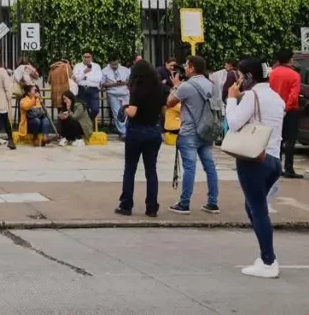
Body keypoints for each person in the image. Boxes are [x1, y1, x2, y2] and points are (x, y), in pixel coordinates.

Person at [228, 58, 285, 278]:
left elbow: (233, 123)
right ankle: (266, 256)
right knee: (252, 207)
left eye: (240, 76)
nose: (239, 80)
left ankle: (269, 261)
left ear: (249, 76)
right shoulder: (275, 97)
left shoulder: (252, 96)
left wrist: (232, 100)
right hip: (272, 160)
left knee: (257, 209)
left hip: (253, 159)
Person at [166, 55, 220, 215]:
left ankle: (184, 203)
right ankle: (213, 202)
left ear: (192, 68)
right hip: (206, 130)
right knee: (210, 167)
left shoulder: (186, 86)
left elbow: (169, 103)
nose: (185, 68)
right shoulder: (213, 86)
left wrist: (175, 86)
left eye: (187, 65)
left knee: (189, 168)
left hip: (189, 132)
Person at [115, 60, 167, 217]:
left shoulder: (137, 90)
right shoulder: (160, 89)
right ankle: (152, 207)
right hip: (153, 130)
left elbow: (133, 112)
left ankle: (126, 205)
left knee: (130, 169)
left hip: (136, 130)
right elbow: (164, 112)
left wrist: (124, 108)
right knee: (151, 170)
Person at [269, 50, 302, 179]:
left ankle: (276, 167)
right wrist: (286, 109)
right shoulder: (294, 75)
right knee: (290, 140)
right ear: (289, 60)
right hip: (290, 111)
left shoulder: (272, 73)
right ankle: (289, 168)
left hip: (274, 109)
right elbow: (293, 96)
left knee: (278, 139)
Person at [102, 56, 131, 139]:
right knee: (117, 113)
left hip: (124, 93)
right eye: (113, 64)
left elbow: (130, 80)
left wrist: (125, 82)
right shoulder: (105, 71)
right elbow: (103, 84)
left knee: (127, 112)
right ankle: (123, 132)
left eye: (116, 63)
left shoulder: (125, 69)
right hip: (112, 93)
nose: (115, 65)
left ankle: (128, 130)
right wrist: (114, 84)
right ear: (109, 63)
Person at [73, 51, 102, 121]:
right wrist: (84, 72)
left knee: (95, 109)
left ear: (91, 57)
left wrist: (85, 78)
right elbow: (75, 79)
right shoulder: (77, 66)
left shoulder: (96, 66)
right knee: (82, 109)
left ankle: (88, 121)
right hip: (81, 89)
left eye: (88, 57)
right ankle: (86, 126)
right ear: (82, 57)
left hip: (93, 89)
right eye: (85, 57)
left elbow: (98, 79)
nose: (86, 59)